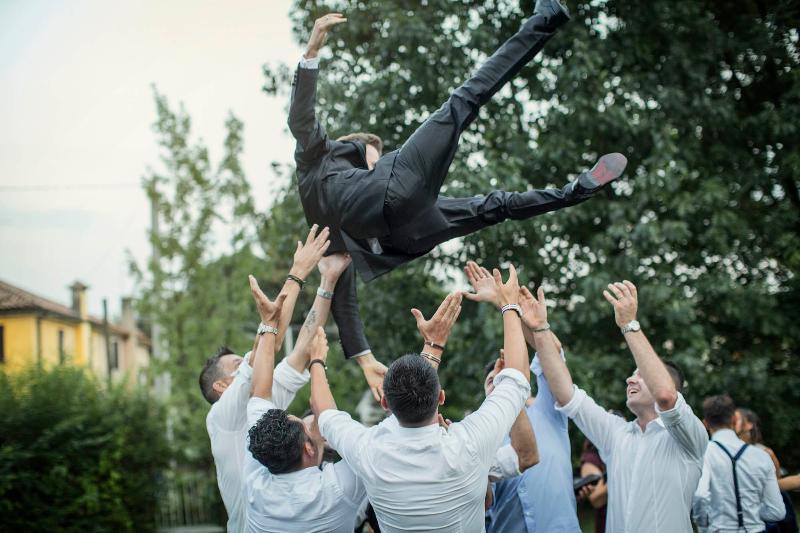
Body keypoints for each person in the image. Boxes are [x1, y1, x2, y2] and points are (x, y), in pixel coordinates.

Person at [287, 2, 628, 399]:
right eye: (374, 160)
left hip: (408, 234)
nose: (376, 163)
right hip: (398, 200)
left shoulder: (325, 234)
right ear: (359, 151)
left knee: (494, 207)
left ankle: (574, 192)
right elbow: (302, 120)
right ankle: (546, 17)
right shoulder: (318, 159)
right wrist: (310, 53)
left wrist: (364, 358)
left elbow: (341, 290)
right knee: (463, 101)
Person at [312, 263, 562, 532]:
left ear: (385, 402)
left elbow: (323, 411)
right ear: (441, 397)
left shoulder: (369, 450)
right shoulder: (468, 444)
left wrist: (316, 359)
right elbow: (516, 378)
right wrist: (509, 306)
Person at [533, 279, 708, 533]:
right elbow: (566, 394)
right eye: (632, 374)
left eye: (640, 374)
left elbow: (665, 396)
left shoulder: (689, 438)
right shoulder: (616, 434)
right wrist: (540, 329)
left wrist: (629, 324)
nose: (630, 379)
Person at [198, 225, 330, 532]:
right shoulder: (222, 418)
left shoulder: (264, 403)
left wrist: (328, 280)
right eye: (237, 363)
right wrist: (298, 272)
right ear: (222, 385)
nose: (247, 359)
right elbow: (267, 343)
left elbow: (301, 351)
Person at [243, 253, 365, 532]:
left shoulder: (256, 479)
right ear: (309, 449)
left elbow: (260, 389)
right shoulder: (335, 490)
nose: (309, 419)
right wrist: (317, 361)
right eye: (306, 425)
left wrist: (327, 281)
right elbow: (333, 420)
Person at [463, 262, 580, 532]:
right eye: (493, 377)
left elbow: (550, 352)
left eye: (507, 375)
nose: (501, 381)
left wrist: (503, 304)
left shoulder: (549, 410)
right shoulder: (480, 434)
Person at [693, 394, 784, 532]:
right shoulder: (762, 456)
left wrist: (703, 523)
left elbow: (700, 495)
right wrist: (751, 510)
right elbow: (777, 512)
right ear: (734, 419)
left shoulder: (704, 454)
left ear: (705, 423)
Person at [736, 407, 800, 533]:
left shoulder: (765, 453)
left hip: (762, 519)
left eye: (736, 418)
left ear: (749, 425)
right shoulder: (721, 451)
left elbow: (777, 485)